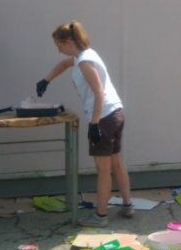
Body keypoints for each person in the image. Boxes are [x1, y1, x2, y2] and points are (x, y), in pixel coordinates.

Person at [35, 20, 134, 227]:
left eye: (60, 45)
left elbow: (99, 92)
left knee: (103, 169)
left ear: (69, 41)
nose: (59, 50)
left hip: (104, 117)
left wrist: (94, 124)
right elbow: (63, 65)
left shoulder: (84, 62)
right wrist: (46, 79)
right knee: (116, 162)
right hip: (116, 112)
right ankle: (127, 206)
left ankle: (100, 216)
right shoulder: (86, 55)